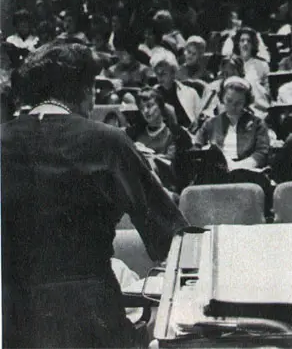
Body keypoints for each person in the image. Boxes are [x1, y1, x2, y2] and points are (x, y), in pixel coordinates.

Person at [1, 41, 188, 348]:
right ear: (84, 92)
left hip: (15, 322)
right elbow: (172, 235)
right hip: (92, 322)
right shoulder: (108, 141)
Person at [194, 76, 270, 171]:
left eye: (239, 103)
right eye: (229, 101)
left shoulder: (257, 123)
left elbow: (261, 152)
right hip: (216, 169)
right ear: (222, 98)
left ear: (245, 102)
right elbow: (197, 147)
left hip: (246, 169)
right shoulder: (210, 123)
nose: (233, 106)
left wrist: (239, 166)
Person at [150, 50, 201, 128]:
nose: (160, 77)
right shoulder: (151, 95)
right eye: (157, 73)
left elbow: (199, 117)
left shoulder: (190, 92)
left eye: (163, 73)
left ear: (173, 73)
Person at [232, 27, 271, 118]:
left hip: (256, 108)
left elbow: (267, 91)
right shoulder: (231, 63)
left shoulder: (262, 65)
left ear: (253, 44)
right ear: (238, 43)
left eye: (249, 41)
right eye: (242, 40)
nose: (245, 43)